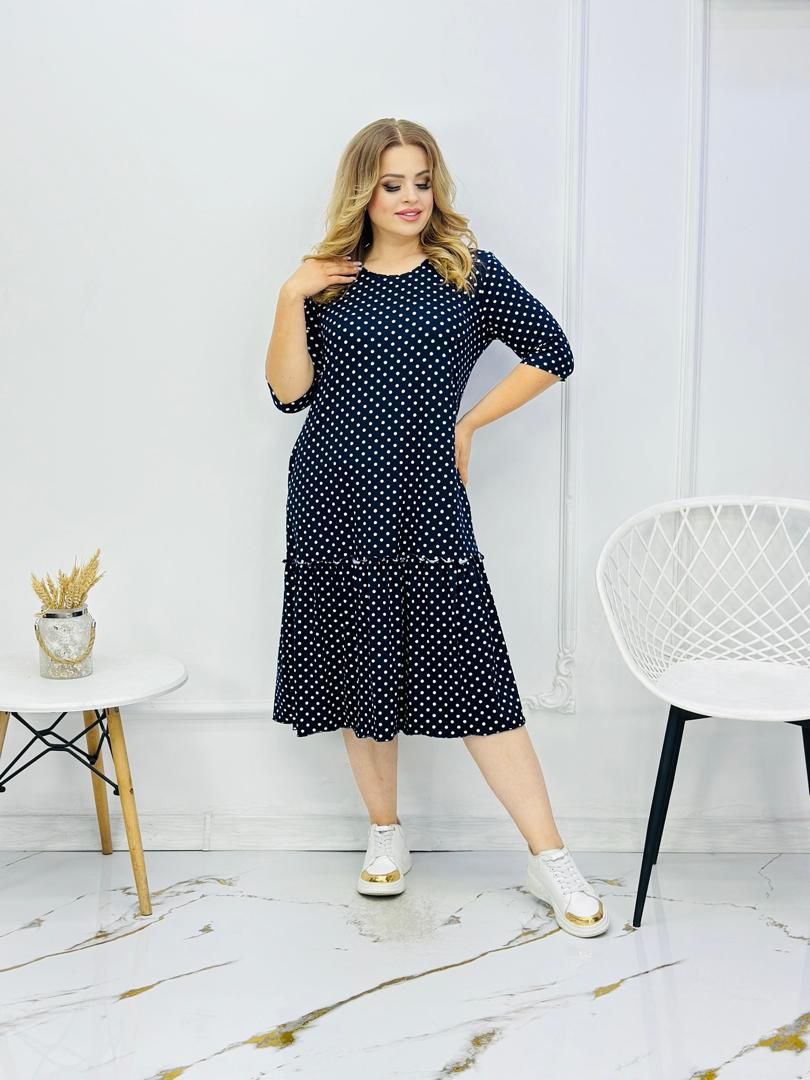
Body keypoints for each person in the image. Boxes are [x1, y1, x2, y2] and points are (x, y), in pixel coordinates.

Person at [265, 118, 609, 938]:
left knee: (480, 678)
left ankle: (549, 855)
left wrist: (468, 423)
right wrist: (288, 296)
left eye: (421, 181)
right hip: (333, 493)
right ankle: (385, 832)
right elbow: (288, 393)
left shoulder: (466, 272)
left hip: (425, 498)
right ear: (364, 191)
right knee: (358, 667)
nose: (410, 197)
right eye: (392, 184)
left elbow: (552, 351)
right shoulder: (327, 280)